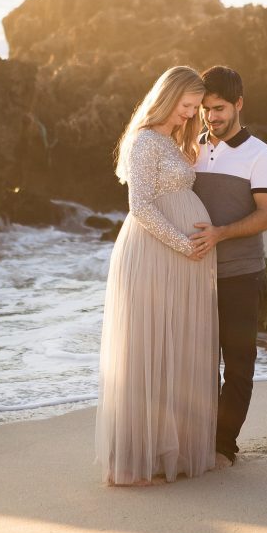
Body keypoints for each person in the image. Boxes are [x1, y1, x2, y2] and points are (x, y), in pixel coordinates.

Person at [95, 66, 218, 486]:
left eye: (194, 108)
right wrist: (185, 245)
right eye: (186, 106)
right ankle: (132, 460)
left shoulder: (171, 140)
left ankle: (172, 452)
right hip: (155, 253)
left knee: (176, 348)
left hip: (181, 258)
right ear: (168, 98)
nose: (189, 114)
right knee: (147, 349)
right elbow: (141, 207)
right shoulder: (144, 141)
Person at [191, 66, 267, 467]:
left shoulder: (260, 154)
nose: (213, 117)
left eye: (221, 108)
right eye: (207, 109)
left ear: (239, 104)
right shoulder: (191, 147)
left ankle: (224, 445)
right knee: (200, 364)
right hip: (195, 276)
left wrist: (220, 234)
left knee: (239, 363)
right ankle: (201, 439)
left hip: (241, 275)